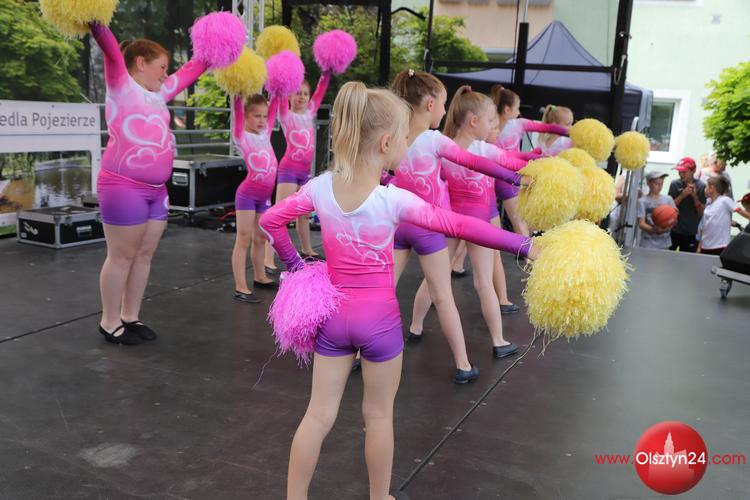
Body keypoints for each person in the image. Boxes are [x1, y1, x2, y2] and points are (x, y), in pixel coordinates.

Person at [259, 81, 538, 500]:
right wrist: (525, 245)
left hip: (333, 318)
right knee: (378, 416)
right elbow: (460, 225)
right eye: (405, 138)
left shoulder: (320, 188)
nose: (409, 145)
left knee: (317, 415)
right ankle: (379, 497)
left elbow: (271, 222)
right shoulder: (393, 201)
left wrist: (298, 269)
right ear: (386, 143)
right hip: (381, 323)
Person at [390, 70, 530, 378]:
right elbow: (475, 163)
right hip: (436, 225)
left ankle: (405, 332)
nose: (445, 111)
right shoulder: (435, 141)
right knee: (454, 292)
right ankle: (470, 360)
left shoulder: (395, 139)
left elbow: (388, 176)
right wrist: (520, 177)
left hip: (403, 224)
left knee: (387, 289)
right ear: (429, 104)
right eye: (442, 104)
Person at [90, 23, 209, 344]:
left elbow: (191, 70)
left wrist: (215, 50)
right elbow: (111, 50)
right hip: (123, 186)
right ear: (141, 62)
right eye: (162, 67)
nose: (166, 74)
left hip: (157, 192)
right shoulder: (120, 85)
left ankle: (130, 316)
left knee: (144, 255)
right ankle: (109, 321)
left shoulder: (160, 94)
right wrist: (94, 20)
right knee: (121, 256)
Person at [274, 72, 332, 258]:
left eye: (305, 94)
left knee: (304, 214)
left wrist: (327, 71)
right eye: (298, 93)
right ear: (290, 96)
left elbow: (321, 90)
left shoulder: (310, 113)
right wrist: (283, 80)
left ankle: (307, 250)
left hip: (305, 173)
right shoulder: (286, 115)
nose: (302, 97)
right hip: (289, 172)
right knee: (279, 215)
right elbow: (280, 96)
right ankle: (272, 256)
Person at [230, 94, 279, 303]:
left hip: (264, 196)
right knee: (243, 238)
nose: (262, 120)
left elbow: (274, 108)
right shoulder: (241, 136)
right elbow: (237, 112)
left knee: (260, 238)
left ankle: (260, 276)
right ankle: (241, 286)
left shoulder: (265, 133)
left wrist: (277, 92)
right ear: (246, 116)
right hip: (247, 195)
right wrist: (238, 95)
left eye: (264, 116)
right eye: (257, 116)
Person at [698, 176, 750, 255]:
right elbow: (704, 226)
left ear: (712, 188)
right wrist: (699, 246)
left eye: (706, 187)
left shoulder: (724, 200)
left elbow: (740, 211)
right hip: (705, 247)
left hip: (720, 246)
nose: (704, 189)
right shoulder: (708, 203)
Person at [668, 157, 706, 252]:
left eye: (684, 172)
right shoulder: (674, 184)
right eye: (679, 172)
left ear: (693, 171)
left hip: (691, 232)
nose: (681, 175)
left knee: (687, 259)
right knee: (668, 257)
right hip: (674, 229)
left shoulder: (701, 186)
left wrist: (694, 197)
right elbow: (668, 208)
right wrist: (682, 196)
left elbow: (701, 212)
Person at [637, 171, 676, 250]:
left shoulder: (668, 199)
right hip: (647, 242)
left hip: (664, 243)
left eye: (661, 183)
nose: (659, 186)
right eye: (656, 183)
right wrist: (655, 230)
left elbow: (674, 219)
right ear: (648, 183)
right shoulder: (642, 201)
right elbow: (641, 223)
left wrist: (667, 227)